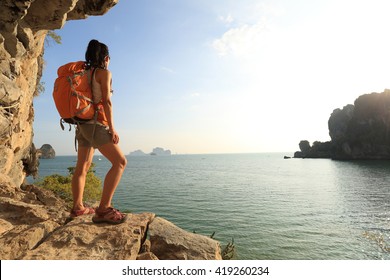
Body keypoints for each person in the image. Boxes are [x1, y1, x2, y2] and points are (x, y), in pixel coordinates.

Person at [70, 39, 127, 224]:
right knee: (120, 162)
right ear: (106, 57)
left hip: (82, 124)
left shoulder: (83, 73)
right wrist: (112, 128)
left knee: (82, 167)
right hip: (95, 124)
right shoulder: (104, 73)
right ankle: (103, 210)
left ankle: (78, 208)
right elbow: (106, 101)